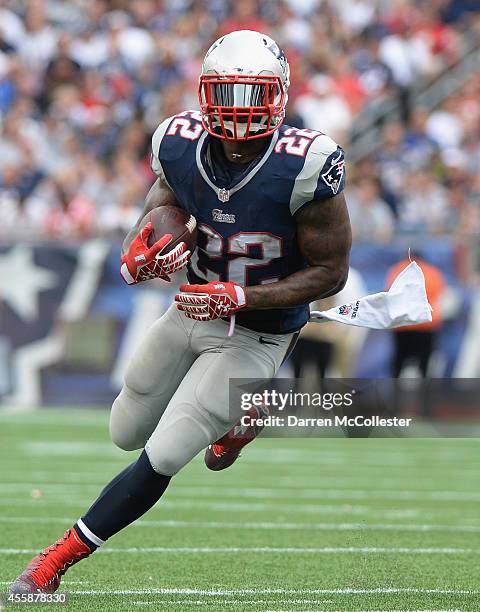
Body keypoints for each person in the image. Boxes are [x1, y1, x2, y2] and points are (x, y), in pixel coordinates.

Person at [11, 30, 351, 594]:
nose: (240, 112)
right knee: (124, 430)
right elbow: (164, 201)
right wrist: (146, 242)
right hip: (191, 310)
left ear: (281, 95)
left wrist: (239, 297)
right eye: (228, 94)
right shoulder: (177, 141)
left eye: (254, 95)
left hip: (258, 333)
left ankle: (51, 564)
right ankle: (244, 418)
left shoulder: (307, 163)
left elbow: (329, 274)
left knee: (162, 454)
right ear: (203, 92)